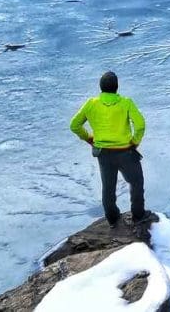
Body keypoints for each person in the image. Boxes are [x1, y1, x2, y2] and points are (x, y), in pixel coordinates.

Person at [70, 71, 152, 228]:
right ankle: (138, 215)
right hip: (126, 152)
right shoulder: (126, 102)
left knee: (108, 187)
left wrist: (89, 138)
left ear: (100, 87)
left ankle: (113, 219)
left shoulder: (91, 103)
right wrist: (134, 142)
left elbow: (74, 125)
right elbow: (140, 124)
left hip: (103, 153)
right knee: (136, 182)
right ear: (117, 87)